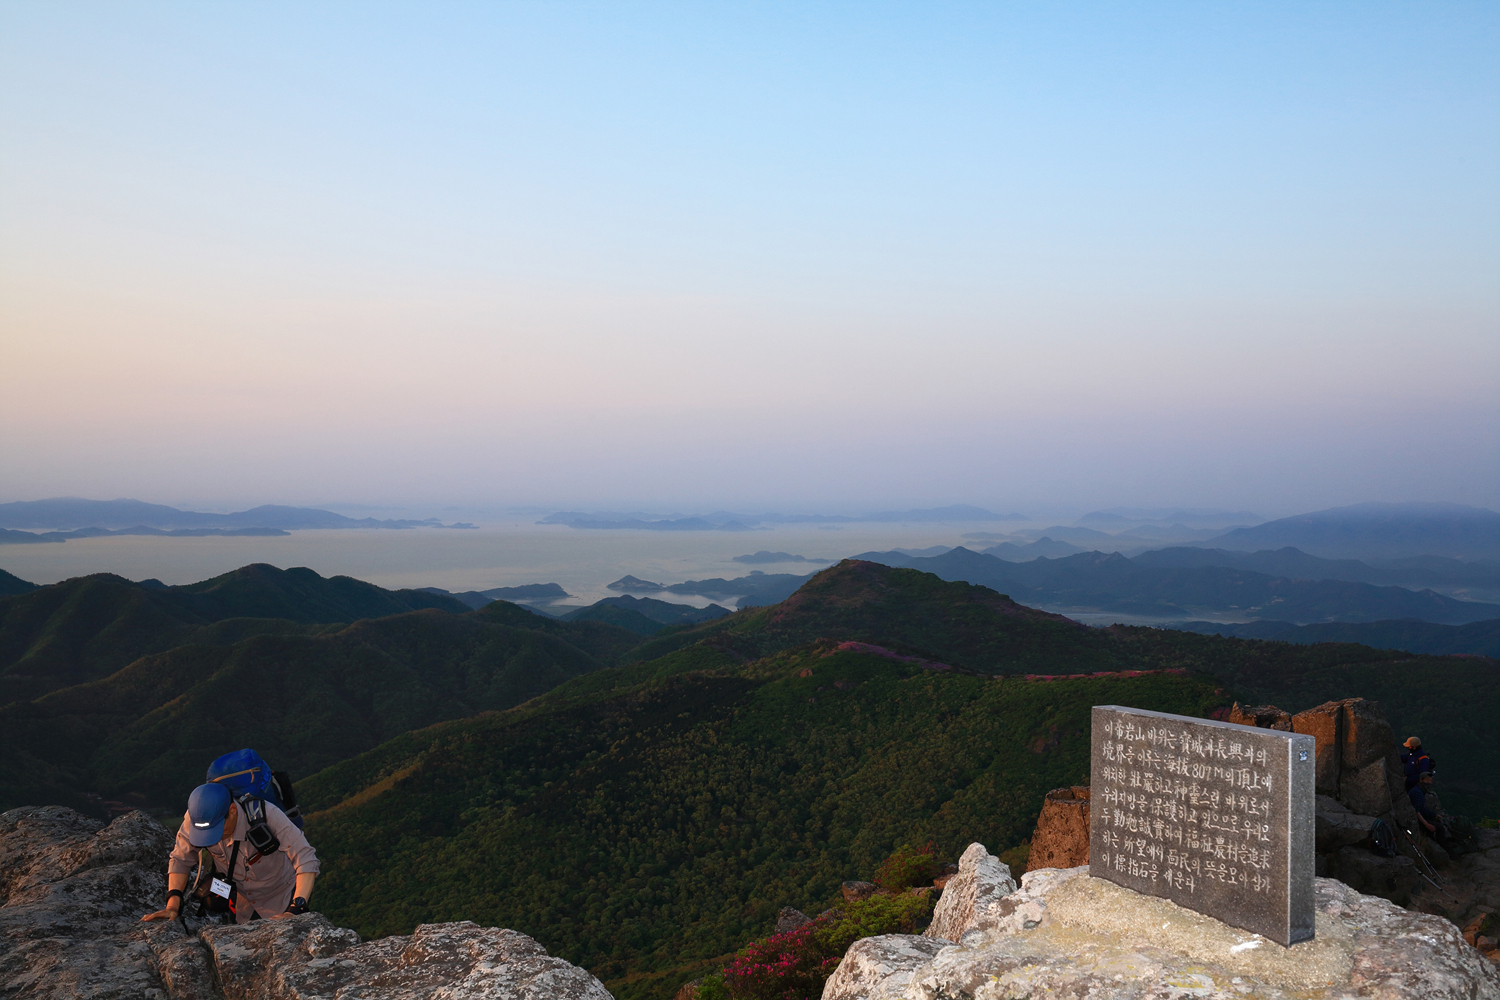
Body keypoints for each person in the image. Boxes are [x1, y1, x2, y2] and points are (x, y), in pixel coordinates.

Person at [141, 781, 319, 924]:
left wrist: (296, 909)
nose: (215, 837)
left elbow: (306, 858)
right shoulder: (197, 818)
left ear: (232, 811)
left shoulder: (267, 815)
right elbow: (181, 859)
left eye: (218, 829)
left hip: (281, 896)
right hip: (241, 902)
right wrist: (172, 905)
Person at [1407, 770, 1446, 841]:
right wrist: (1427, 825)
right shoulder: (1417, 793)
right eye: (1427, 780)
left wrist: (1434, 815)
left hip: (1417, 817)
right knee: (1440, 828)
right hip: (1414, 820)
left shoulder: (1420, 791)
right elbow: (1417, 811)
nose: (1429, 783)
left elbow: (1422, 808)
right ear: (1421, 780)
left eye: (1430, 781)